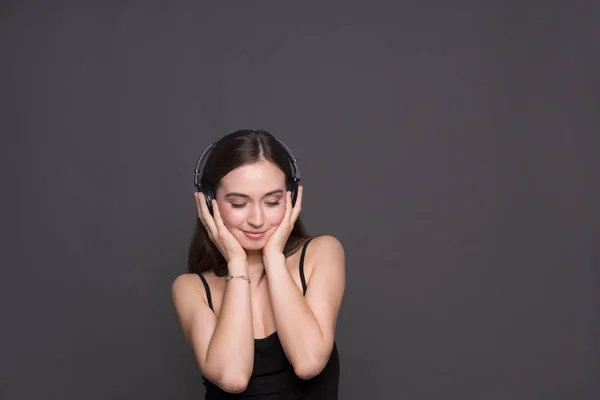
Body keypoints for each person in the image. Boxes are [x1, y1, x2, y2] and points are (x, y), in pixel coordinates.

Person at [172, 129, 346, 399]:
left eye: (272, 201)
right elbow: (233, 378)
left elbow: (308, 362)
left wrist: (274, 257)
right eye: (239, 204)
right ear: (209, 203)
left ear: (291, 198)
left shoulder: (321, 253)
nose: (257, 219)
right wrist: (237, 263)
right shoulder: (191, 289)